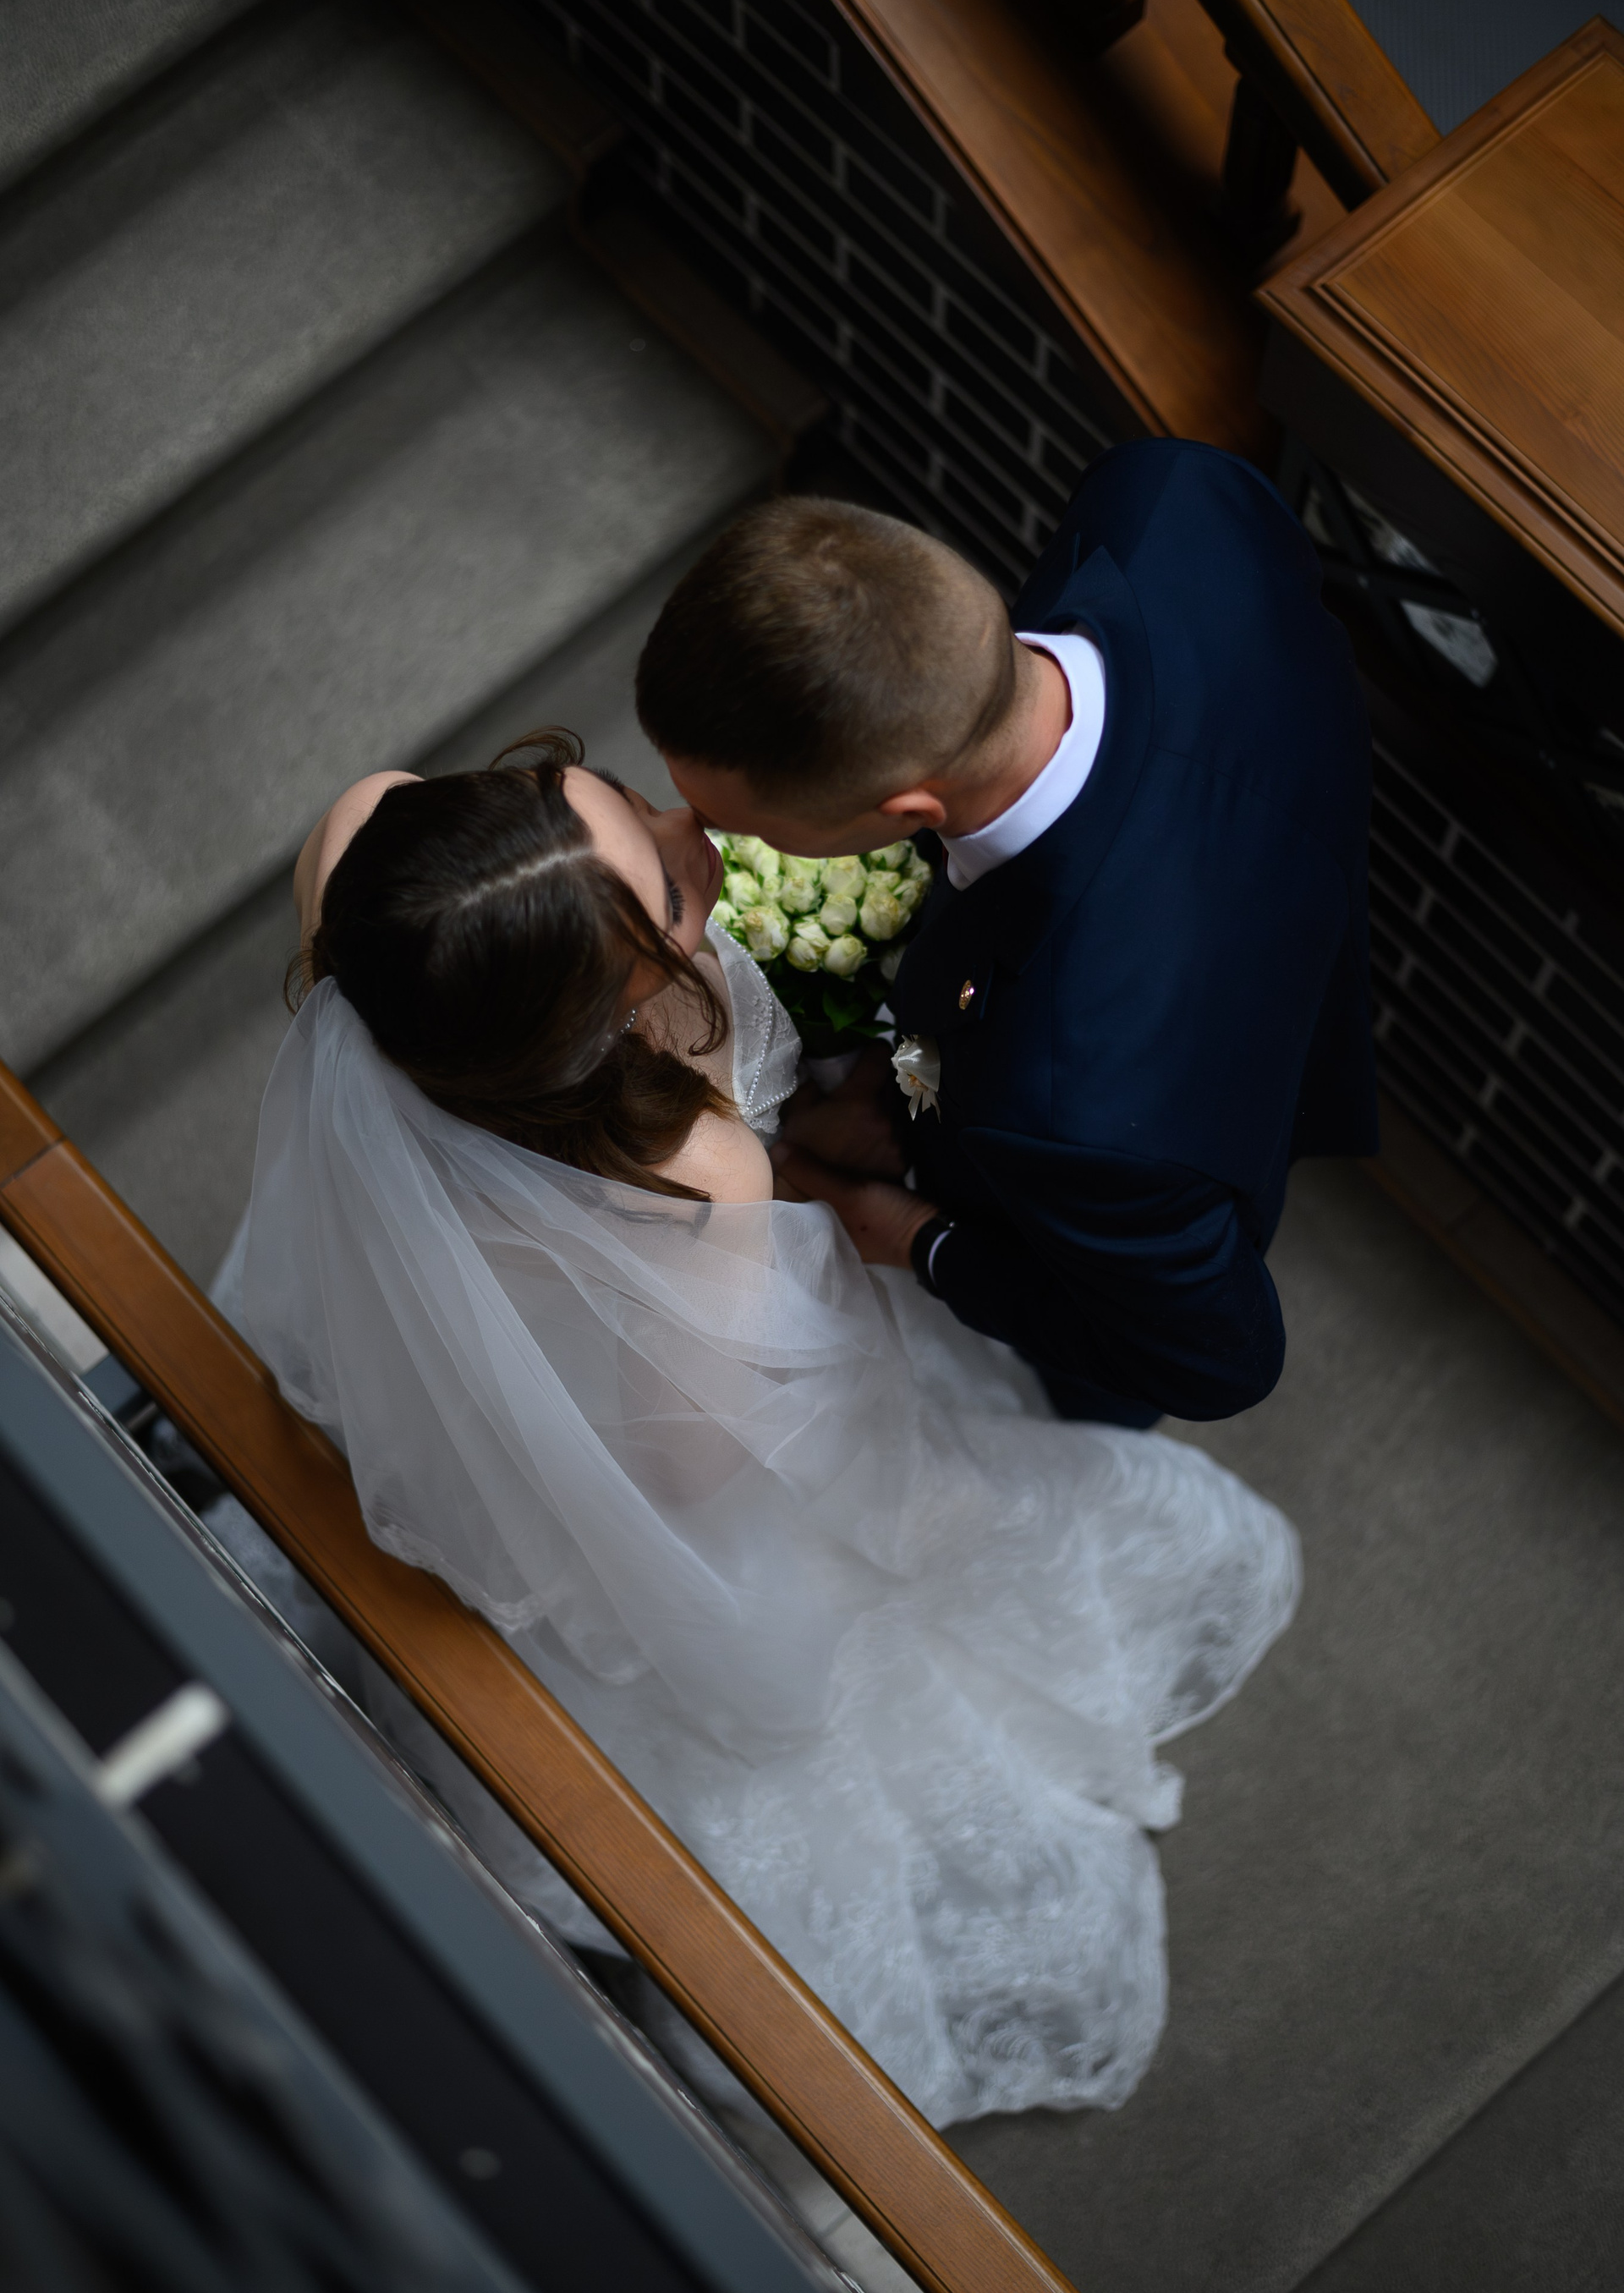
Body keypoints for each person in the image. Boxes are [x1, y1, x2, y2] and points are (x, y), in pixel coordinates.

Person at [223, 728, 1298, 2131]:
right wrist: (805, 1211)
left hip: (450, 1301)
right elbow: (687, 1460)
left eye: (617, 800)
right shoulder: (699, 1163)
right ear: (609, 1018)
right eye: (673, 899)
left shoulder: (366, 840)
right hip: (644, 1423)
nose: (693, 831)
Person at [637, 443, 1378, 1429]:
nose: (706, 839)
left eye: (738, 822)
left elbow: (1218, 1363)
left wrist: (918, 1237)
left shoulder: (1076, 1104)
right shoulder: (1171, 494)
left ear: (908, 810)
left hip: (1165, 1122)